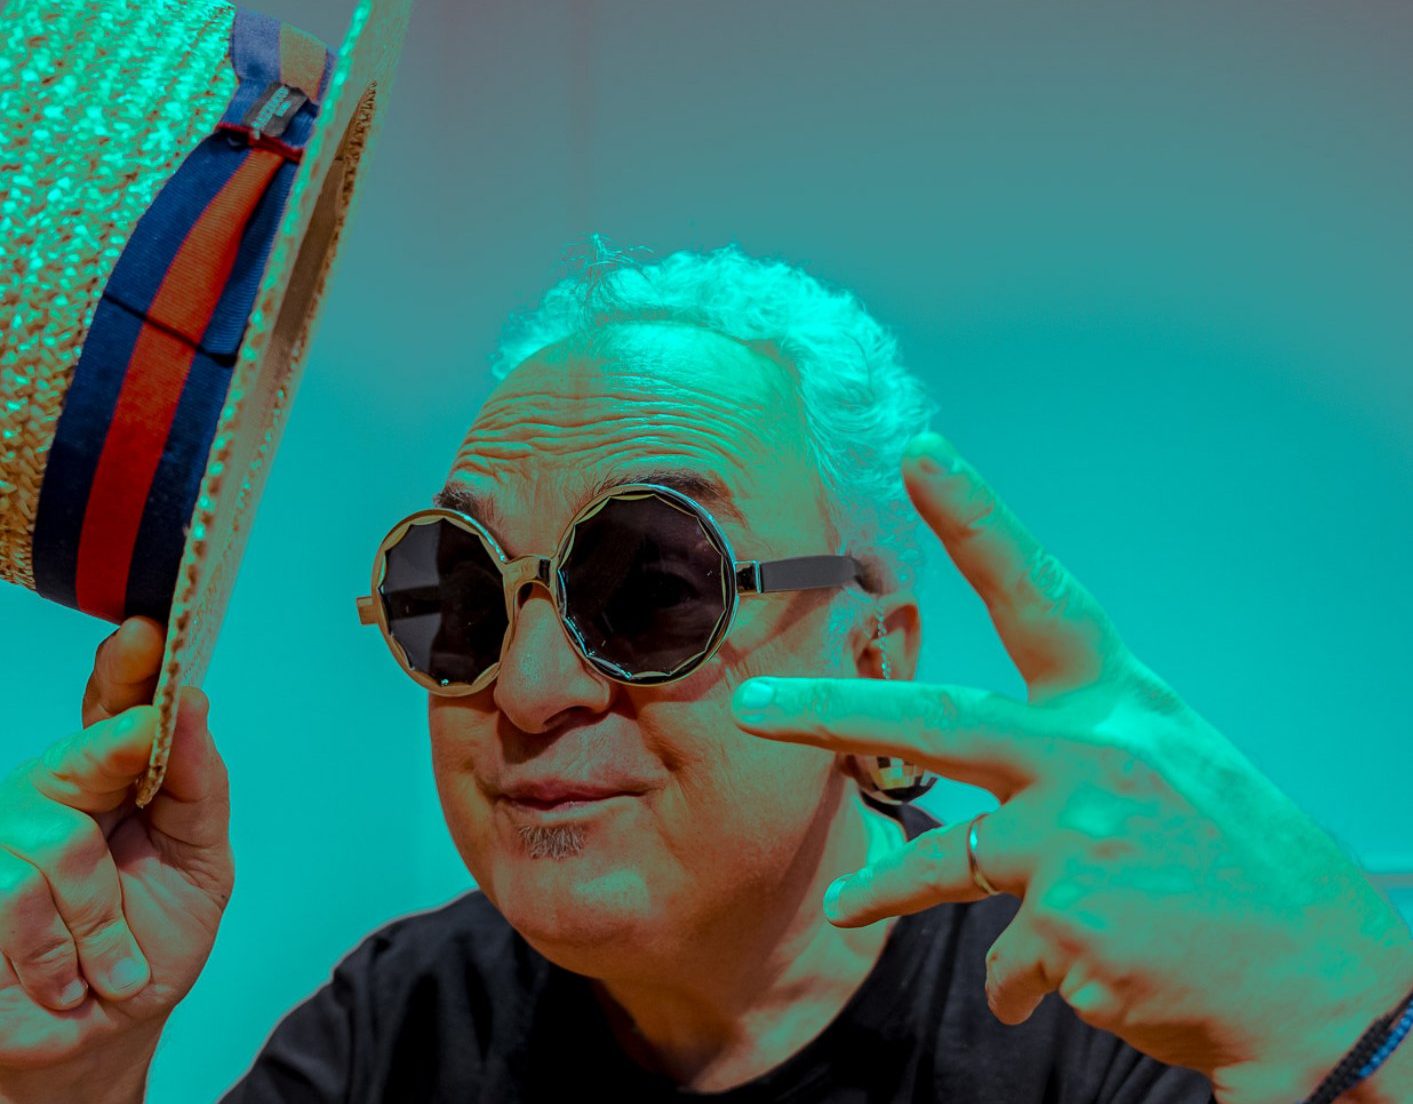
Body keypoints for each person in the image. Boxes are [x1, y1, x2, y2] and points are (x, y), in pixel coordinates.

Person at [0, 244, 1408, 1104]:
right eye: (462, 599)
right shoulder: (407, 1023)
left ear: (874, 657)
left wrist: (1353, 1017)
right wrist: (74, 1073)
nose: (533, 690)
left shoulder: (1106, 1015)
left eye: (653, 589)